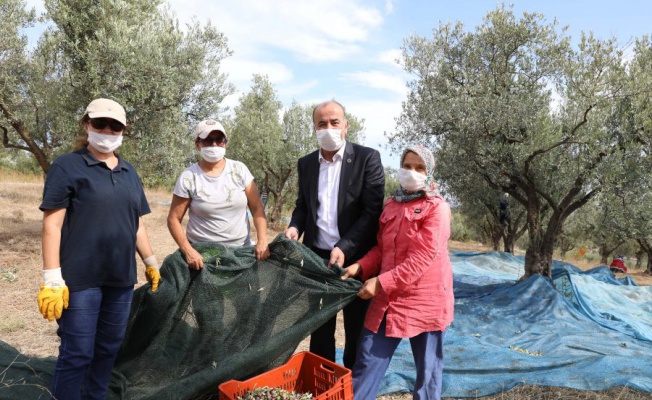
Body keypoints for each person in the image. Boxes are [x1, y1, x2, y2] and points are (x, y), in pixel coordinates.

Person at [38, 98, 160, 399]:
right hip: (79, 280)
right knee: (77, 352)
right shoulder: (68, 166)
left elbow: (137, 224)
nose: (107, 130)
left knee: (108, 349)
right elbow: (51, 226)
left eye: (115, 125)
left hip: (120, 278)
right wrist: (52, 279)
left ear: (123, 130)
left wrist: (150, 261)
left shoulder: (130, 173)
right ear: (86, 124)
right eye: (100, 123)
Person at [341, 145, 454, 400]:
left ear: (430, 173)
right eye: (407, 166)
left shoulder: (437, 208)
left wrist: (379, 283)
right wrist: (361, 266)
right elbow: (382, 249)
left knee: (428, 376)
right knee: (367, 363)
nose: (411, 172)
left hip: (426, 301)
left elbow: (423, 257)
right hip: (388, 301)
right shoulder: (391, 204)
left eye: (419, 168)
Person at [284, 100, 385, 369]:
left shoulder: (367, 158)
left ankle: (353, 383)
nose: (328, 128)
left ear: (346, 126)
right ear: (314, 128)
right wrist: (295, 227)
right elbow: (303, 206)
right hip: (316, 259)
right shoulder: (306, 164)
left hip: (356, 260)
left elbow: (371, 211)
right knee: (319, 328)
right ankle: (324, 381)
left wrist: (345, 246)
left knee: (357, 329)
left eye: (334, 122)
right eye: (321, 123)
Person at [167, 119, 270, 268]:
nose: (214, 144)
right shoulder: (189, 177)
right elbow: (173, 219)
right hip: (203, 258)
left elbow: (257, 208)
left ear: (225, 142)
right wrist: (188, 250)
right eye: (208, 140)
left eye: (219, 139)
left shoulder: (240, 170)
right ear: (198, 144)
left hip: (241, 253)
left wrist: (262, 239)